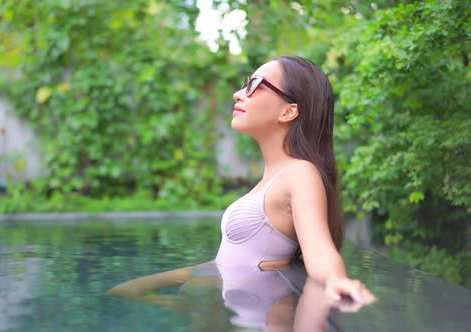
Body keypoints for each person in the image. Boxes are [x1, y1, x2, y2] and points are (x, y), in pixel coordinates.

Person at [107, 55, 377, 324]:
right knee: (122, 293)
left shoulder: (300, 173)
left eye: (255, 84)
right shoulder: (272, 179)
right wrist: (165, 288)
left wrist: (338, 281)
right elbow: (235, 258)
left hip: (260, 313)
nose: (238, 94)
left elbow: (318, 251)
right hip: (228, 301)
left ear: (288, 111)